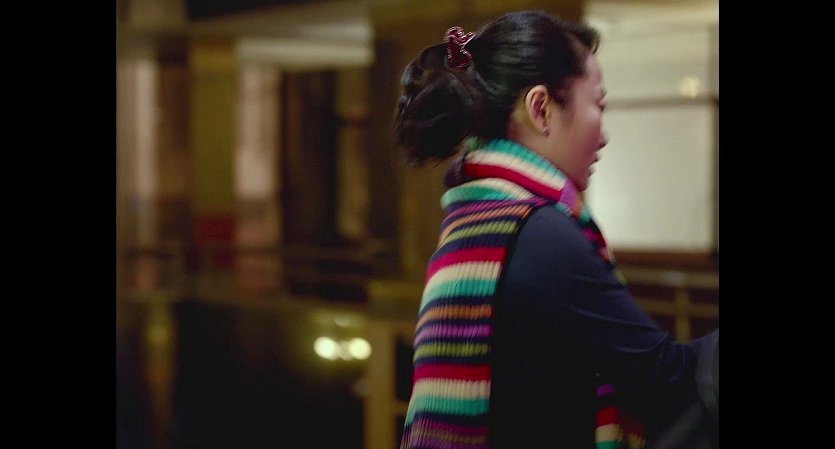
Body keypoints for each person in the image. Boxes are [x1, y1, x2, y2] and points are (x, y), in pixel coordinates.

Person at [393, 10, 718, 449]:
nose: (604, 135)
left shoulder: (475, 218)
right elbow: (668, 378)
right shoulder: (538, 234)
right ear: (541, 109)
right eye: (598, 105)